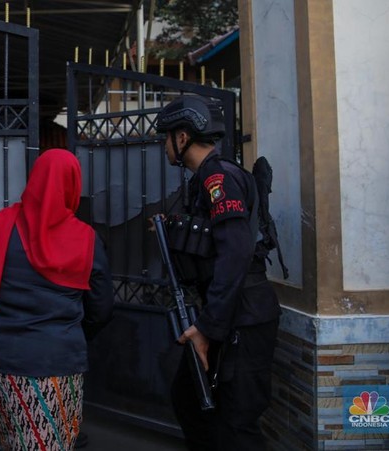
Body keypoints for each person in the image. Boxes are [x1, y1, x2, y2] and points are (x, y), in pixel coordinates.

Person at [0, 148, 114, 451]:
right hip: (54, 360)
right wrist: (71, 335)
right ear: (72, 184)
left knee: (15, 440)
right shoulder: (86, 239)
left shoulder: (0, 224)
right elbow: (102, 308)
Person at [154, 95, 281, 450]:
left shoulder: (219, 179)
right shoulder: (202, 182)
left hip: (243, 316)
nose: (164, 145)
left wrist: (207, 328)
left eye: (166, 137)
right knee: (190, 399)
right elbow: (212, 243)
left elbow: (236, 252)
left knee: (237, 422)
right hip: (225, 312)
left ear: (182, 138)